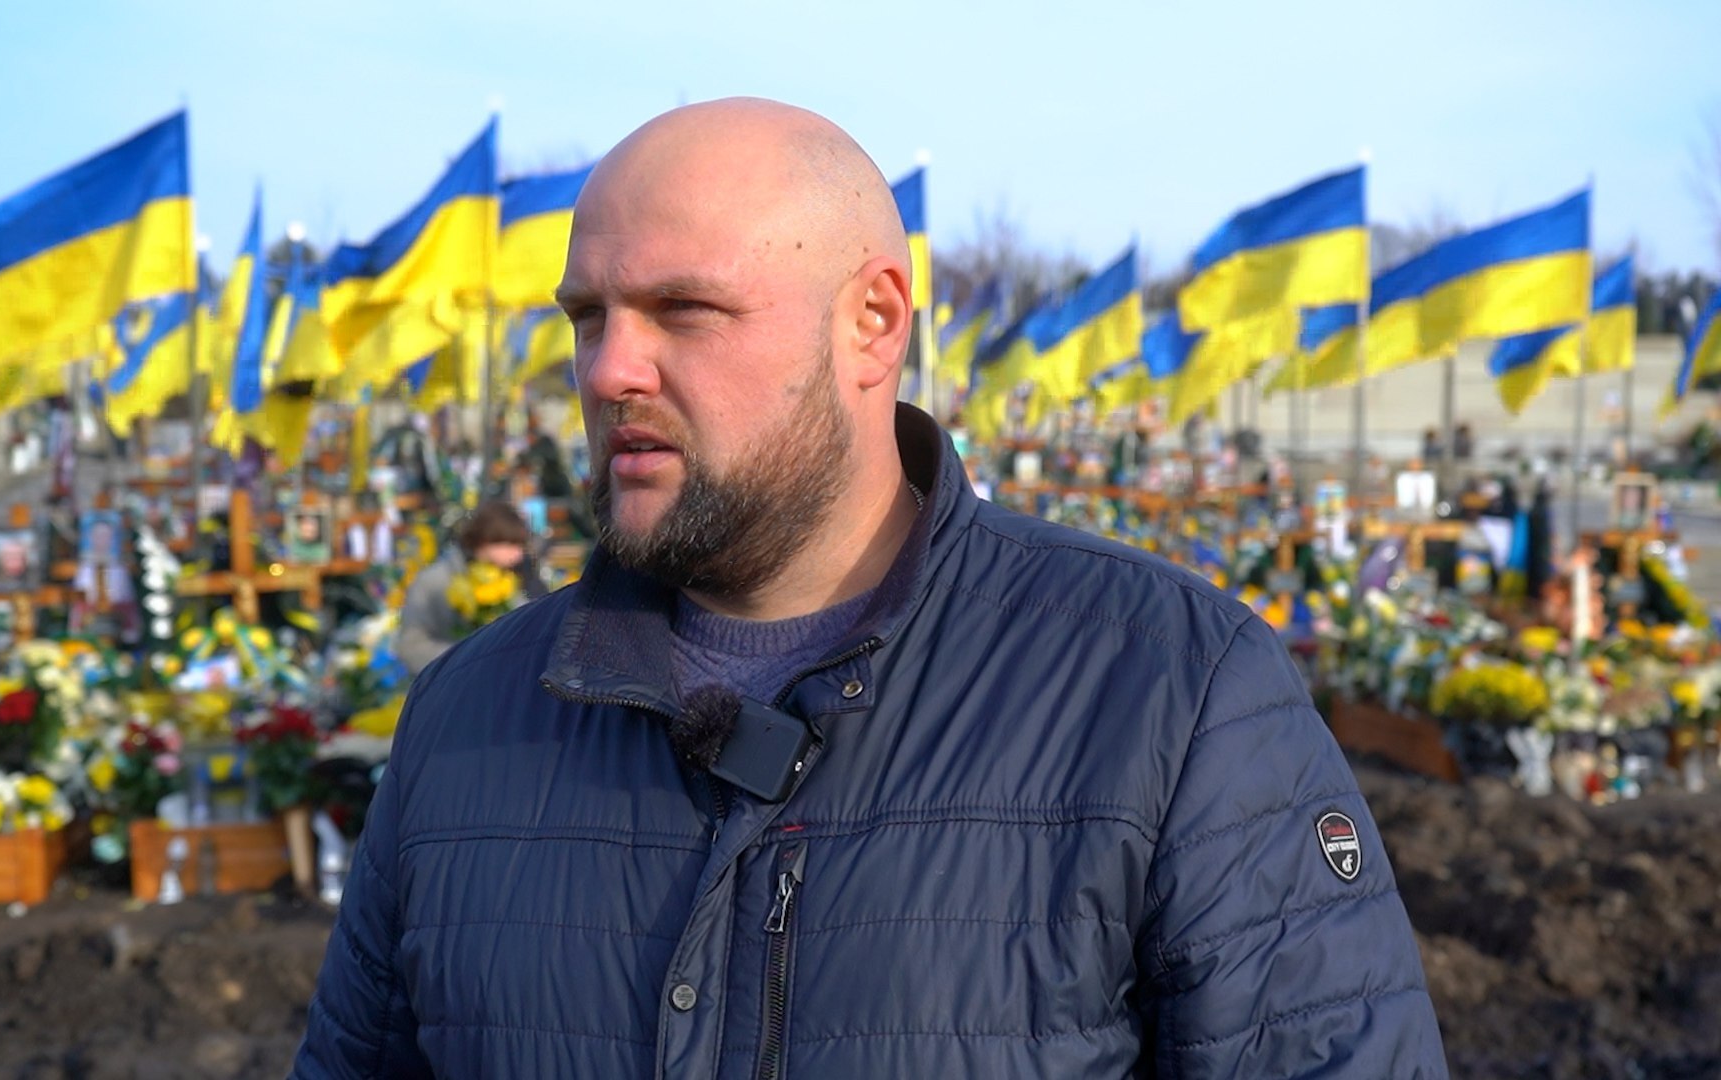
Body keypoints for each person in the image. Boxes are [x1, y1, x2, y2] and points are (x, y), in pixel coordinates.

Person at [297, 99, 1445, 1078]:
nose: (608, 371)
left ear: (872, 324)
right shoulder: (467, 719)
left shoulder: (1169, 692)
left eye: (683, 310)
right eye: (587, 318)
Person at [391, 500, 538, 673]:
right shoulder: (434, 581)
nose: (518, 555)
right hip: (449, 680)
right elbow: (411, 646)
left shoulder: (511, 579)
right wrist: (471, 658)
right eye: (510, 544)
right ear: (484, 540)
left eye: (520, 546)